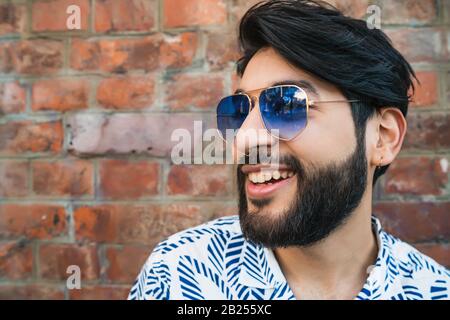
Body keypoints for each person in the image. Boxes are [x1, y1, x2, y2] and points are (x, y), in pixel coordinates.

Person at [128, 0, 449, 300]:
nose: (245, 139)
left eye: (286, 105)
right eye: (239, 111)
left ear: (382, 137)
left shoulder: (433, 290)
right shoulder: (180, 279)